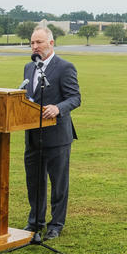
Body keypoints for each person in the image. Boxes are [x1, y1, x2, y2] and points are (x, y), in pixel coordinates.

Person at [23, 27, 81, 240]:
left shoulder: (65, 67)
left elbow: (75, 98)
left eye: (39, 42)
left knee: (58, 183)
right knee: (34, 182)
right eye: (32, 43)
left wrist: (58, 108)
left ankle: (55, 224)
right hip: (32, 137)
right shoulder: (28, 67)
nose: (35, 47)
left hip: (57, 137)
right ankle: (35, 222)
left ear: (51, 43)